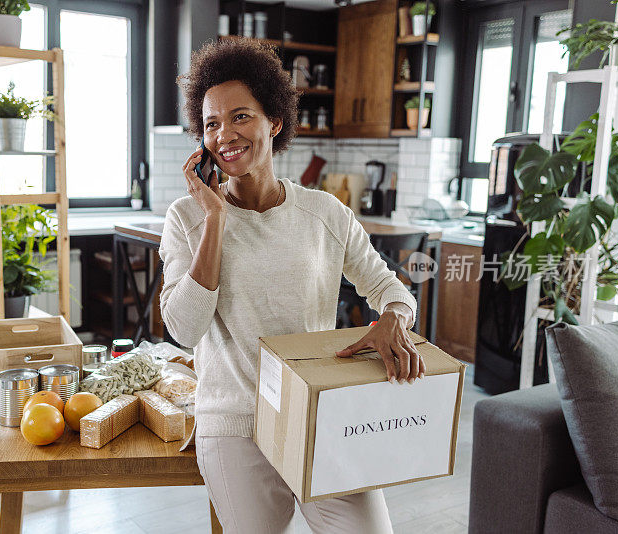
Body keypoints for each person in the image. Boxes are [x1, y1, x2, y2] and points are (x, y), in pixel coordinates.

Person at [158, 39, 425, 534]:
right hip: (236, 425)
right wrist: (215, 218)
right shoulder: (186, 218)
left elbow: (391, 288)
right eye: (211, 123)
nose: (225, 135)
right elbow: (184, 329)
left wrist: (394, 318)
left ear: (274, 121)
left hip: (319, 415)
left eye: (240, 117)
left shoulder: (325, 213)